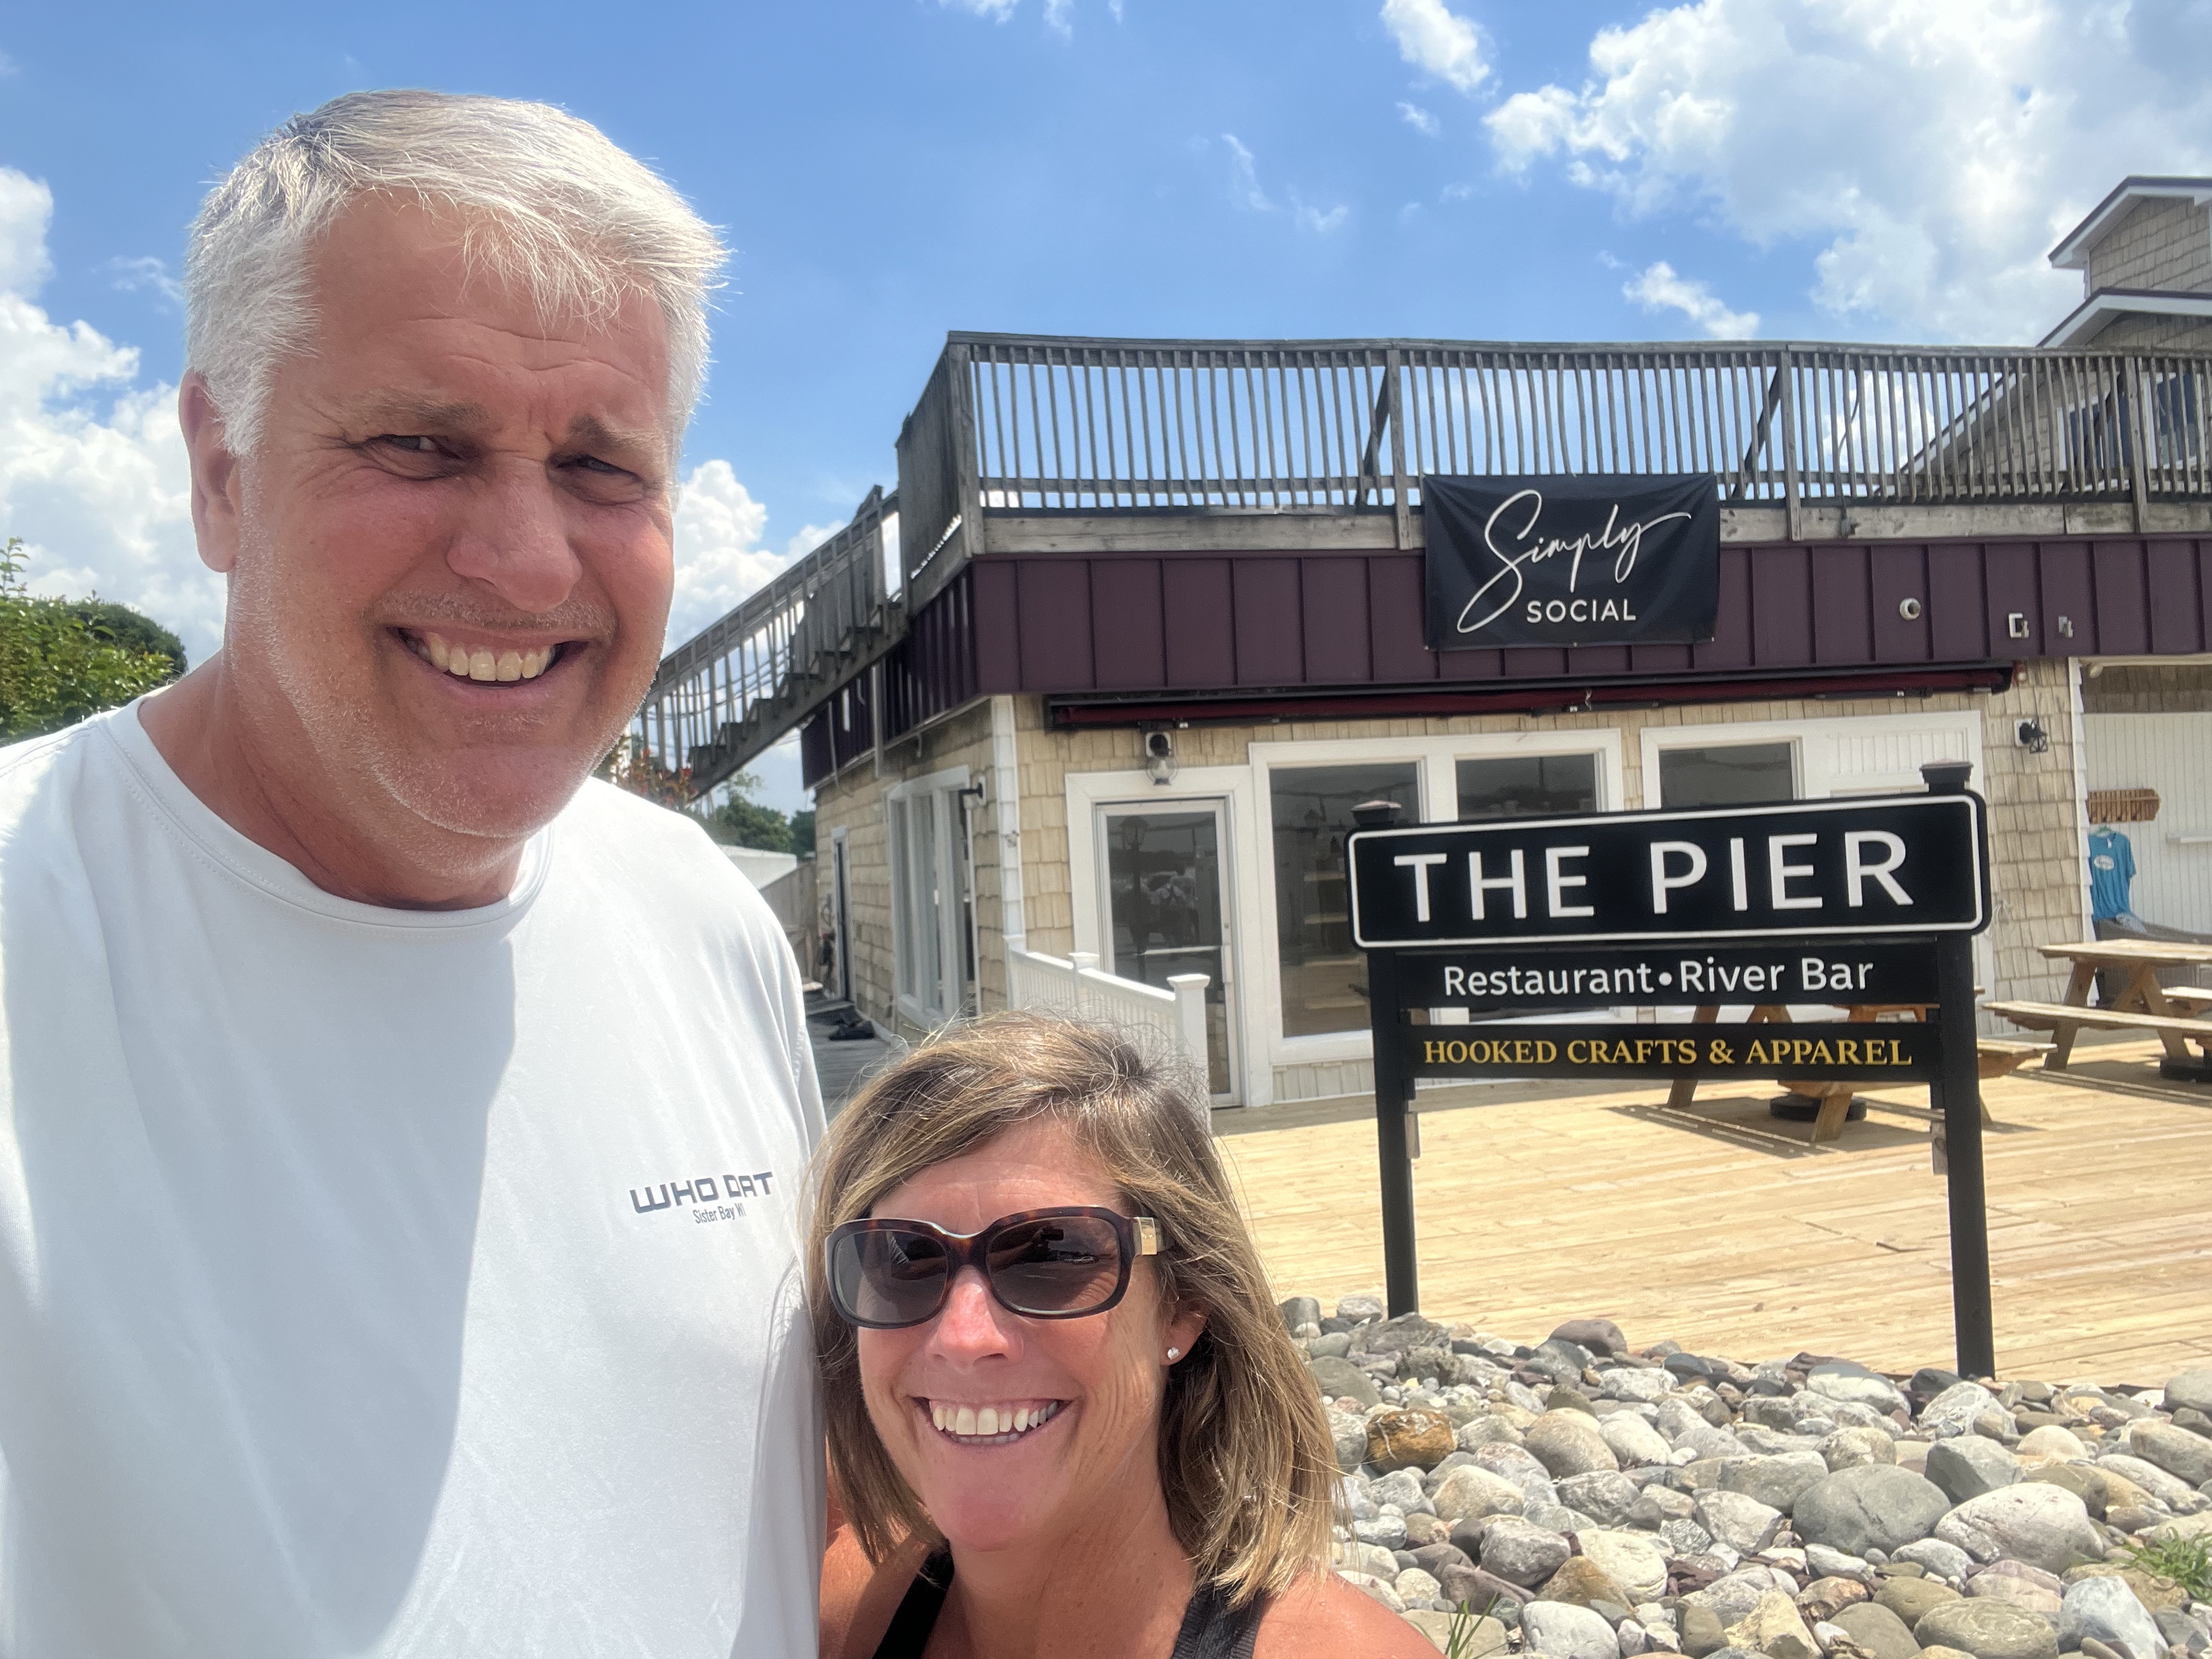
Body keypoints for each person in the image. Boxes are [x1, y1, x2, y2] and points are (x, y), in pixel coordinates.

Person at [0, 92, 824, 1656]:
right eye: (421, 445)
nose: (526, 559)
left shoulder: (704, 920)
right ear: (221, 470)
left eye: (602, 466)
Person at [809, 1015, 1432, 1659]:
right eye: (904, 1259)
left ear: (1183, 1304)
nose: (964, 1337)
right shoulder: (823, 1620)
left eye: (1053, 1256)